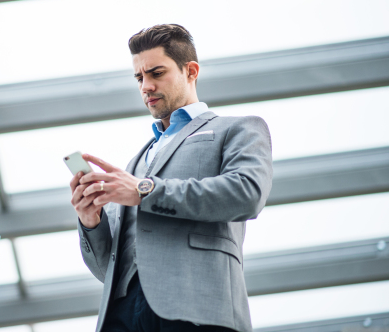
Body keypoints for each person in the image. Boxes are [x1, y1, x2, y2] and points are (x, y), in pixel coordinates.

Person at [70, 24, 273, 332]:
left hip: (198, 308)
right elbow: (106, 269)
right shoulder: (135, 162)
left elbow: (247, 193)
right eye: (139, 77)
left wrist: (143, 190)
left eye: (156, 73)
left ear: (190, 70)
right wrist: (90, 220)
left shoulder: (237, 129)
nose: (145, 86)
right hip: (122, 315)